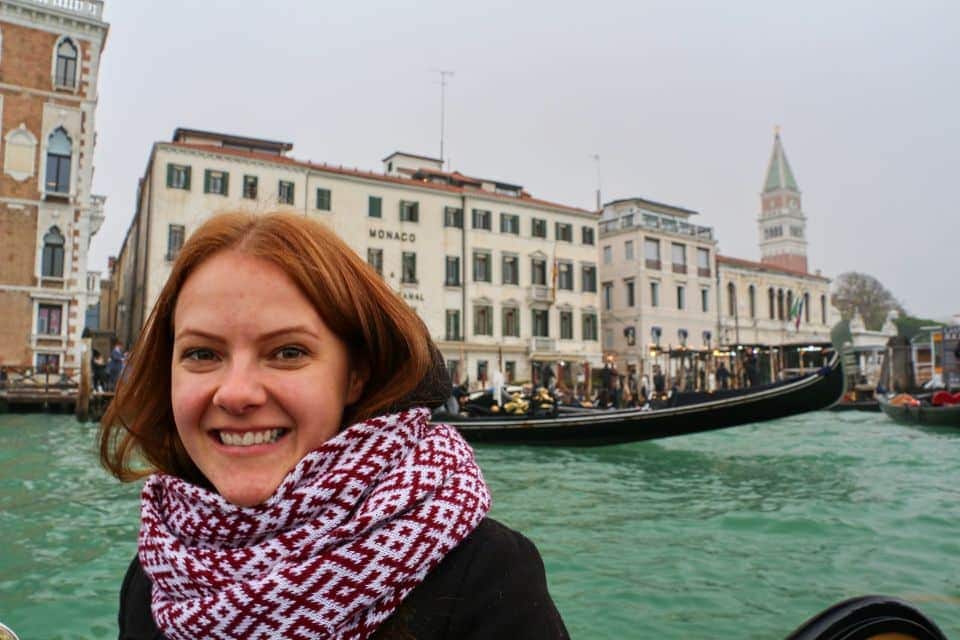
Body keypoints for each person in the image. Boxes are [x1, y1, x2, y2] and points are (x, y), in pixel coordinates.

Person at [98, 212, 567, 640]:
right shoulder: (158, 575)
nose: (236, 393)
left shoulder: (485, 575)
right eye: (203, 354)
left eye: (287, 352)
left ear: (354, 375)